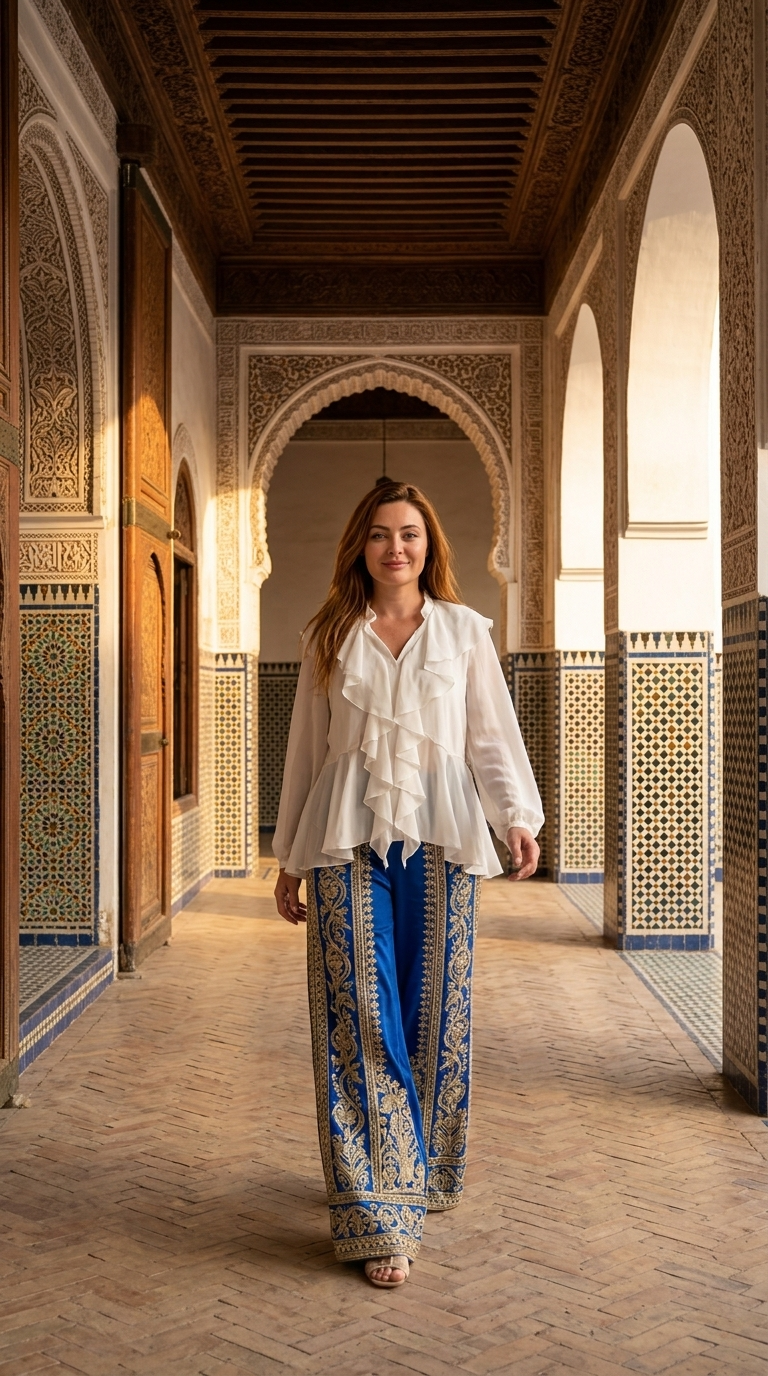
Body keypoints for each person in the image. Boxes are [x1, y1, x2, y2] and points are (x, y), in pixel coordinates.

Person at [273, 478, 543, 1288]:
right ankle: (377, 1211)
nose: (398, 547)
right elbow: (307, 752)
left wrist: (516, 817)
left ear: (431, 547)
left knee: (433, 1011)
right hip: (344, 840)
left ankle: (421, 1169)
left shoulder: (464, 632)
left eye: (412, 535)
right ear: (360, 544)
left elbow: (489, 737)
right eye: (383, 534)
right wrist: (289, 858)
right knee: (358, 1013)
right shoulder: (330, 634)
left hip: (443, 840)